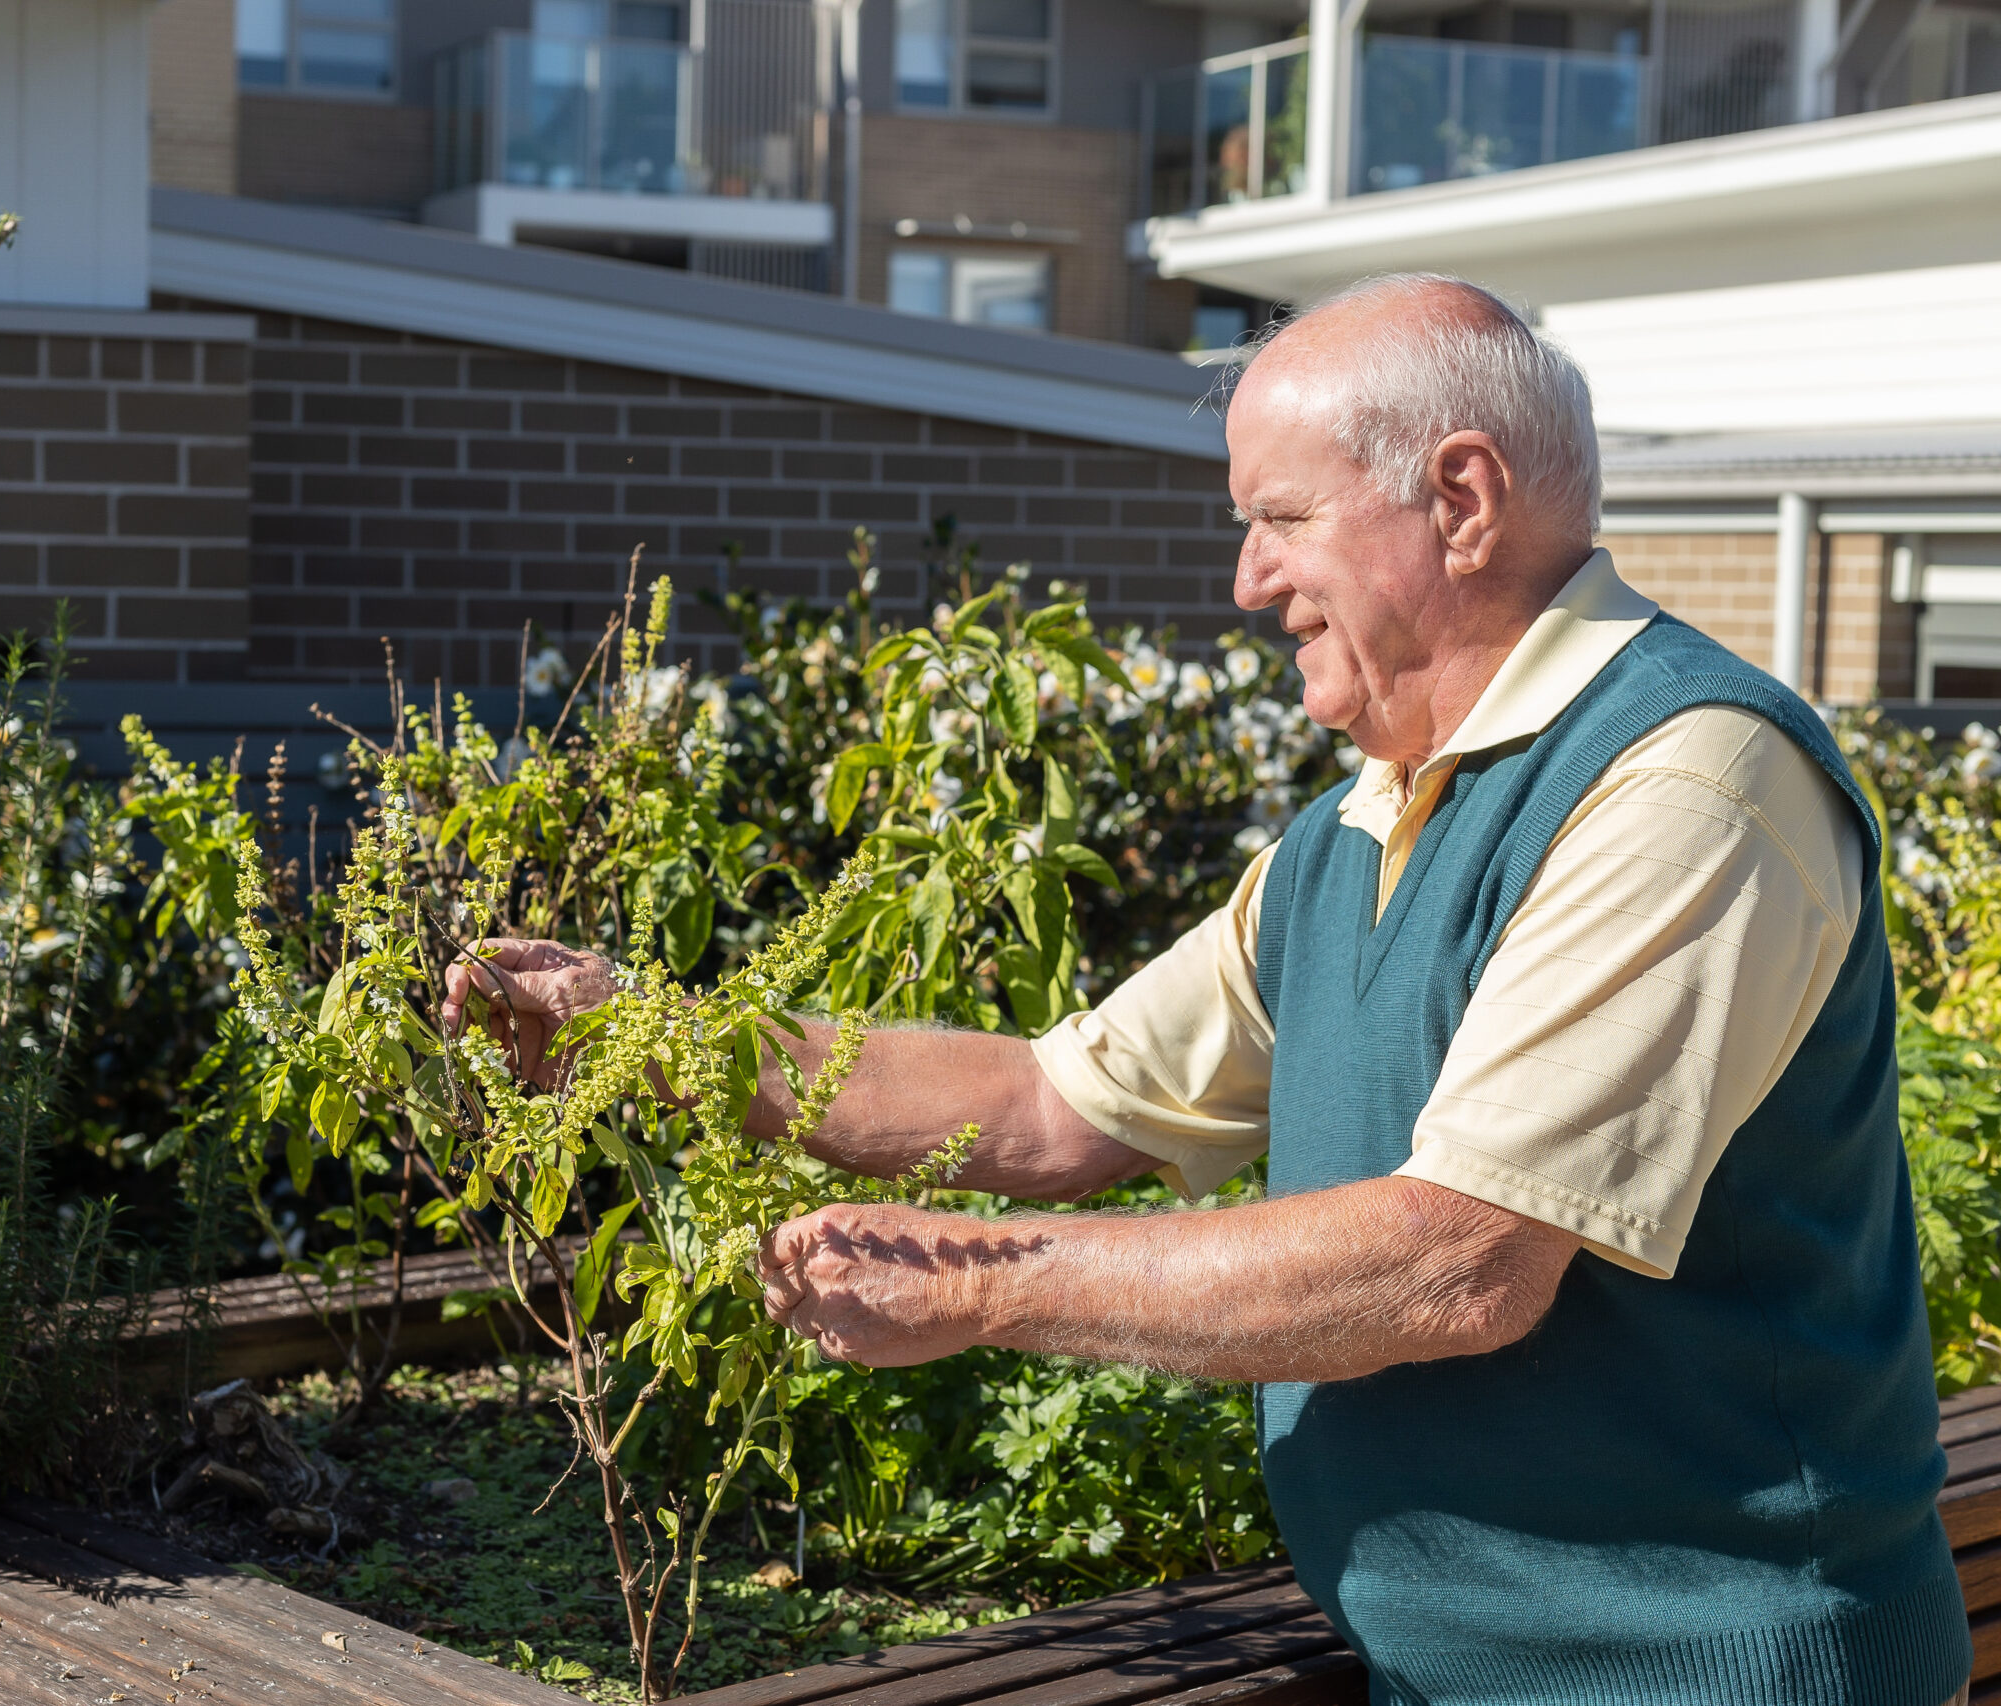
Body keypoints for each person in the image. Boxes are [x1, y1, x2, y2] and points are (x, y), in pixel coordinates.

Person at [443, 274, 1973, 1705]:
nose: (1248, 581)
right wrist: (655, 1036)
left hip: (1716, 1671)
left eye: (1280, 518)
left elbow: (1461, 1258)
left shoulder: (1687, 784)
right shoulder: (1358, 829)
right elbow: (1050, 1102)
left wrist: (978, 1285)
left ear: (1459, 499)